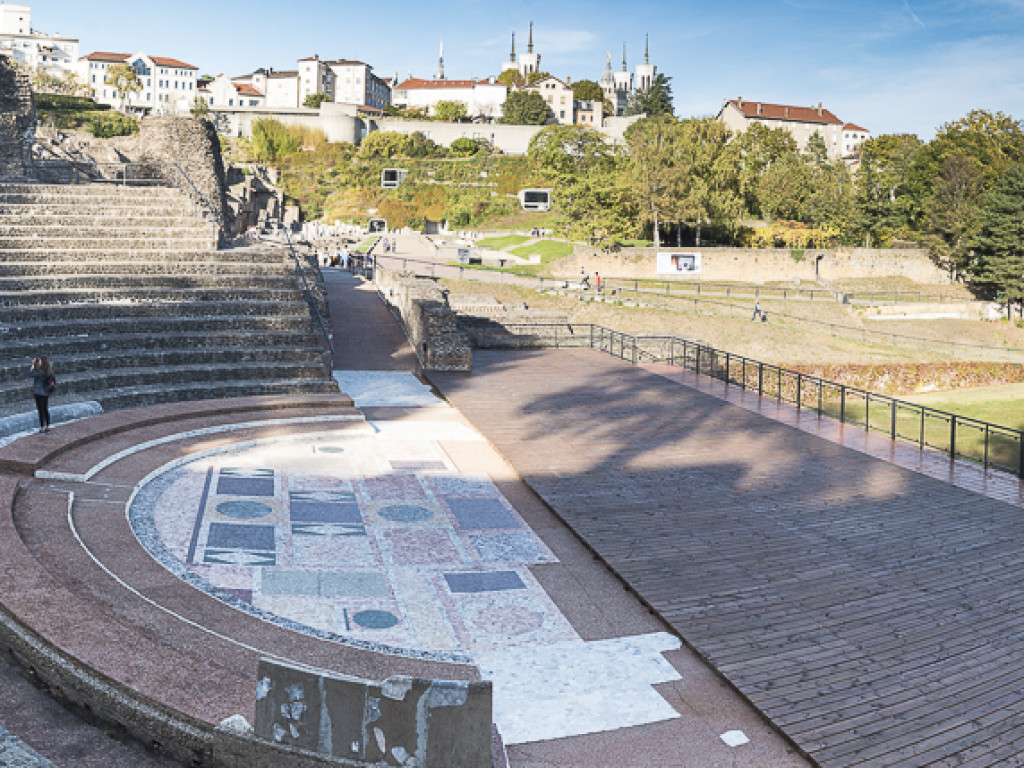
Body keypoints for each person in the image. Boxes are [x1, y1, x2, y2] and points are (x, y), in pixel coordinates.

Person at [29, 356, 55, 433]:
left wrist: (33, 365)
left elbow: (31, 374)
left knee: (41, 410)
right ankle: (47, 426)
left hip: (39, 392)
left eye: (39, 361)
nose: (38, 362)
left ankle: (42, 427)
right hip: (45, 393)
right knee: (45, 409)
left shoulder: (40, 372)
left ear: (43, 362)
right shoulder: (48, 371)